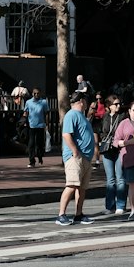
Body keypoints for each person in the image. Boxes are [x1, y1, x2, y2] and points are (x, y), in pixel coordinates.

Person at [56, 87, 100, 227]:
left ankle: (78, 214)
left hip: (85, 157)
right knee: (71, 185)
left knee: (81, 188)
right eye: (85, 100)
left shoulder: (82, 116)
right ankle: (61, 214)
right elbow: (66, 134)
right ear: (81, 101)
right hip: (75, 157)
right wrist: (75, 151)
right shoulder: (72, 115)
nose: (87, 103)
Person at [99, 95, 126, 214]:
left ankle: (121, 205)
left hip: (119, 149)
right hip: (107, 149)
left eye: (119, 103)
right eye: (116, 104)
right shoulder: (104, 117)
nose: (118, 106)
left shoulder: (122, 117)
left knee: (120, 178)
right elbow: (101, 130)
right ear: (109, 106)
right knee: (110, 180)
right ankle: (110, 206)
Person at [24, 88, 48, 167]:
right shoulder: (28, 102)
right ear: (32, 94)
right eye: (34, 93)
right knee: (31, 143)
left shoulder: (43, 102)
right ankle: (32, 161)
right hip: (31, 125)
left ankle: (40, 157)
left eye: (38, 93)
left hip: (40, 125)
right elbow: (26, 112)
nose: (36, 95)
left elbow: (46, 113)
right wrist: (24, 120)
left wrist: (46, 123)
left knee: (39, 143)